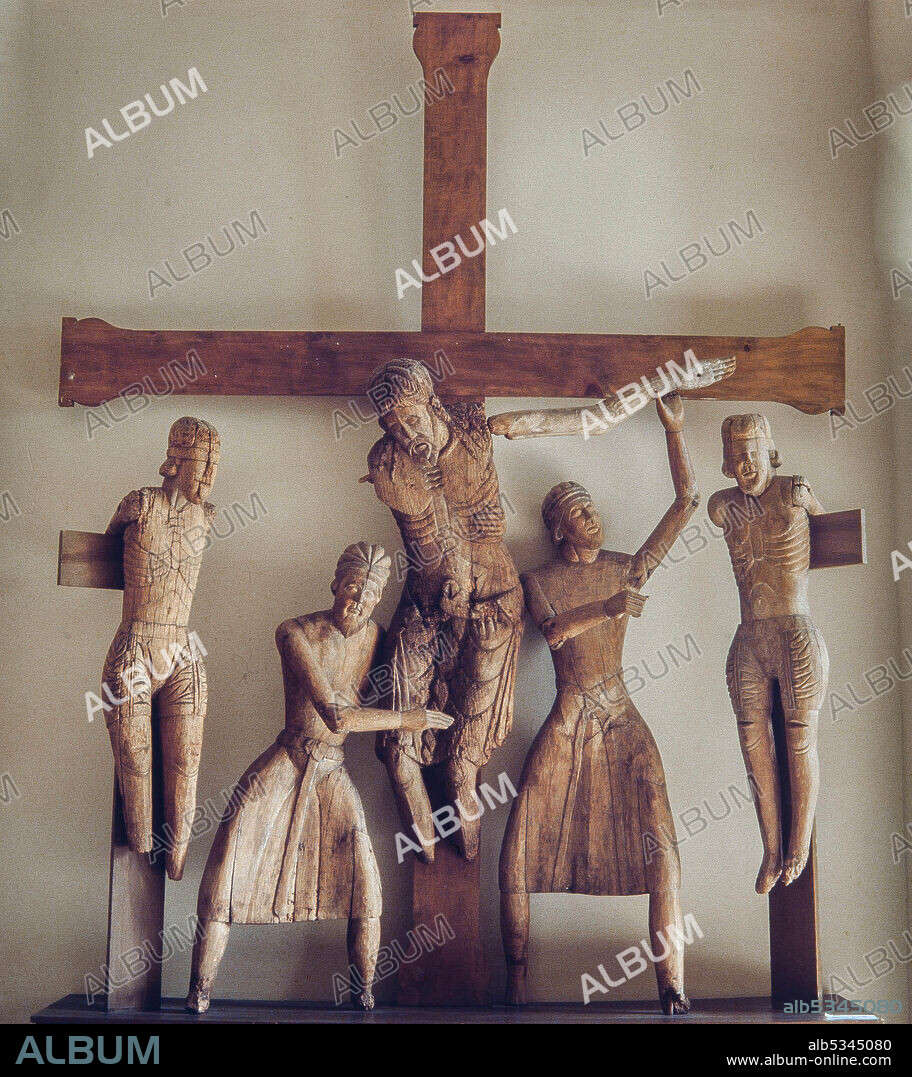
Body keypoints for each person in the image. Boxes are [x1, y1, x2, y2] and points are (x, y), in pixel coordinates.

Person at [185, 542, 452, 1013]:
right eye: (353, 588)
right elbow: (336, 714)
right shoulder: (295, 633)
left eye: (371, 593)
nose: (360, 601)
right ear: (335, 584)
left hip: (332, 771)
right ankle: (199, 989)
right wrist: (410, 719)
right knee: (230, 860)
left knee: (366, 881)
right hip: (287, 760)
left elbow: (404, 676)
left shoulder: (377, 636)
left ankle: (363, 991)